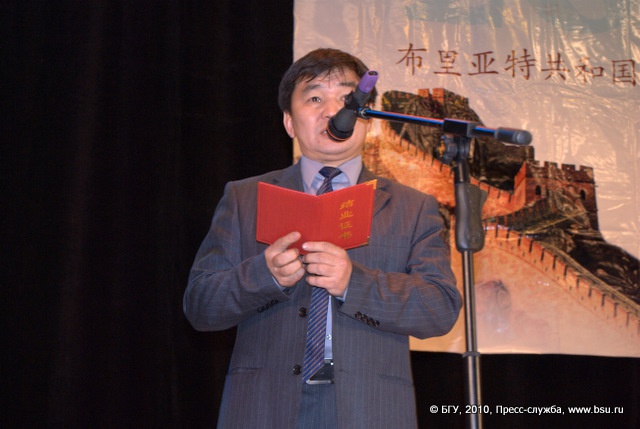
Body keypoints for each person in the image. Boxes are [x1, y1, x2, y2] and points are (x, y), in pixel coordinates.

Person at [184, 47, 461, 429]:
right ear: (289, 122)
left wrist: (354, 283)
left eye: (347, 99)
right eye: (314, 98)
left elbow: (439, 309)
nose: (332, 111)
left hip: (370, 409)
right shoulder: (245, 198)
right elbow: (201, 306)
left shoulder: (411, 207)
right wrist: (264, 276)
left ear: (367, 119)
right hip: (263, 407)